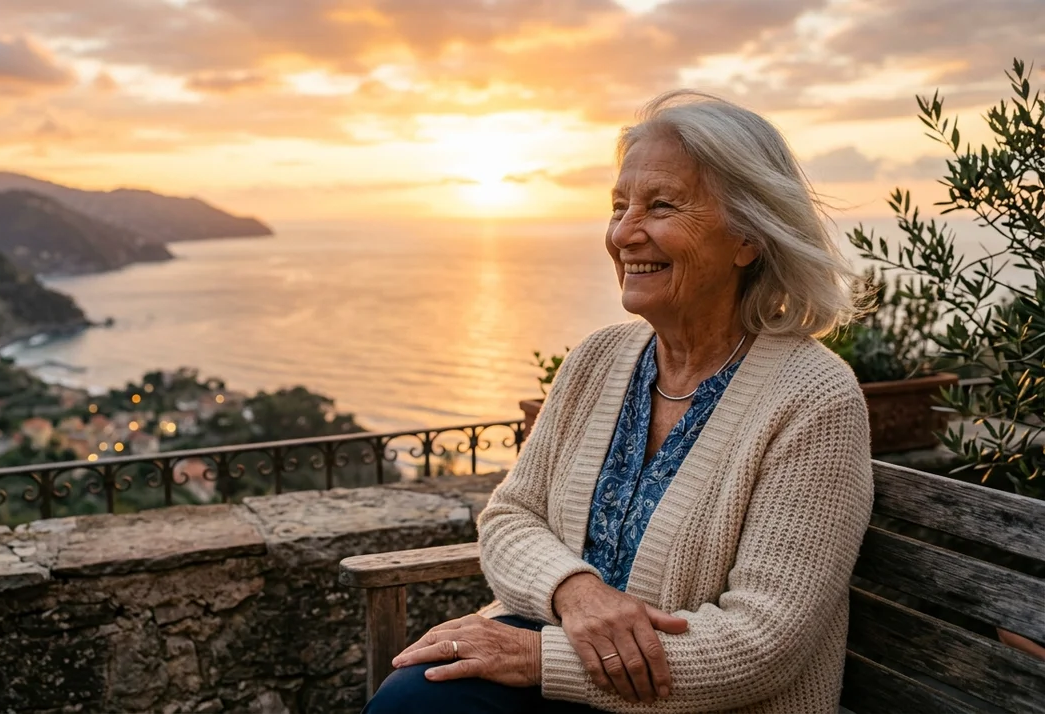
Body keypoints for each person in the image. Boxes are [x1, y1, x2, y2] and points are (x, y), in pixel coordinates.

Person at [364, 90, 874, 713]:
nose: (624, 233)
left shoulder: (812, 397)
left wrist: (538, 659)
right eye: (618, 206)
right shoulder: (599, 358)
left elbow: (761, 644)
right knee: (415, 698)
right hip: (572, 668)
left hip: (699, 700)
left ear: (748, 237)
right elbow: (509, 517)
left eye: (660, 206)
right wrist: (575, 591)